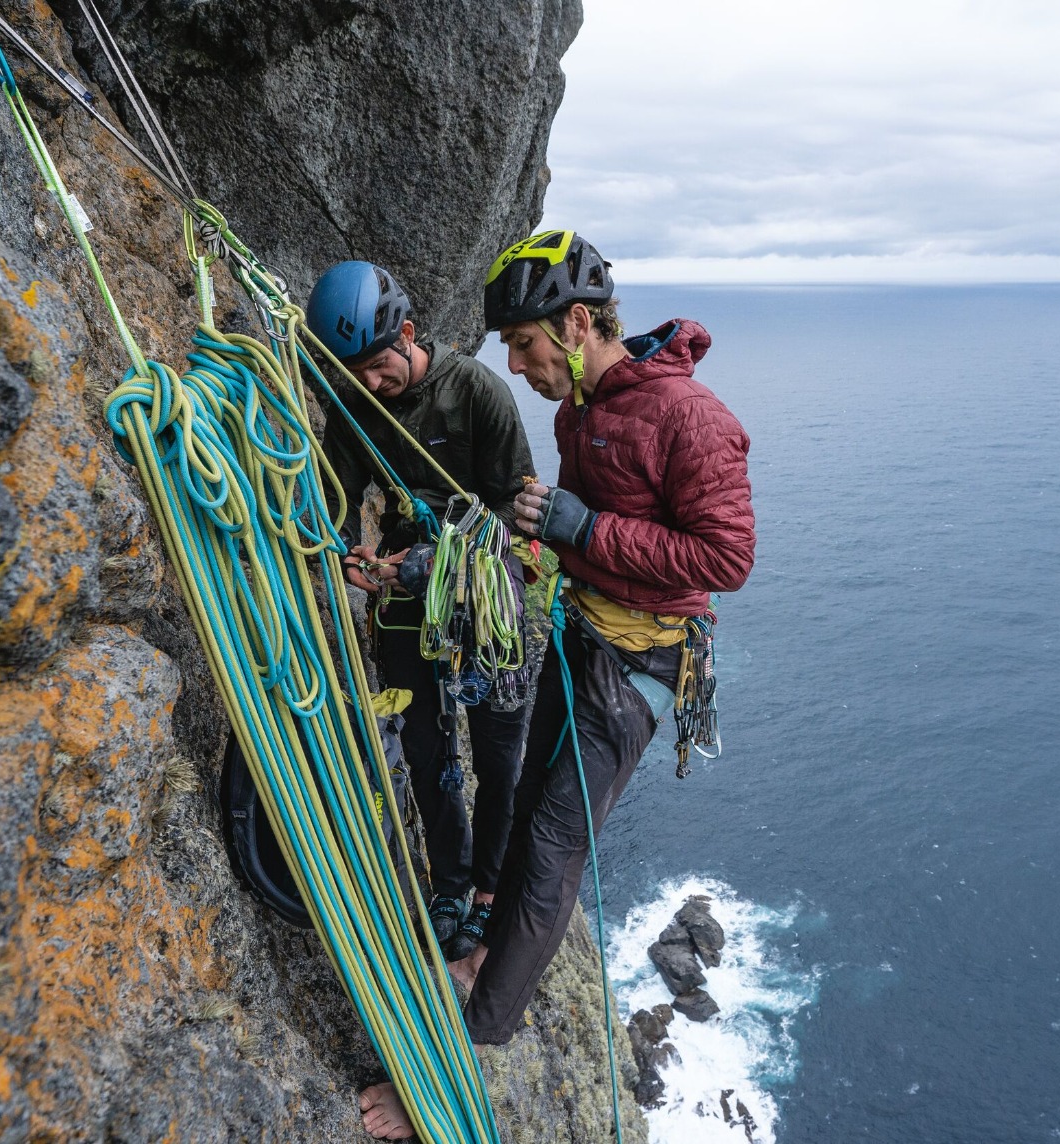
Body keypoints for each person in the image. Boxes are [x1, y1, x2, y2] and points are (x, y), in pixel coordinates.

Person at [359, 226, 754, 1140]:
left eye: (527, 346)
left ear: (577, 325)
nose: (517, 365)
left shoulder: (689, 420)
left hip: (641, 666)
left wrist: (582, 526)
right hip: (582, 640)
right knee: (521, 790)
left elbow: (727, 557)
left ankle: (463, 1055)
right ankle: (488, 953)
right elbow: (557, 535)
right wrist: (432, 563)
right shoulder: (583, 412)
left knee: (549, 849)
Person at [305, 259, 536, 962]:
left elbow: (516, 514)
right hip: (408, 590)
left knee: (498, 758)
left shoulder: (476, 392)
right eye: (355, 375)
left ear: (407, 334)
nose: (370, 385)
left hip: (490, 593)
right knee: (430, 749)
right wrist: (342, 548)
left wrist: (434, 563)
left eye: (378, 366)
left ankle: (490, 894)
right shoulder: (356, 406)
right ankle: (449, 886)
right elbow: (335, 495)